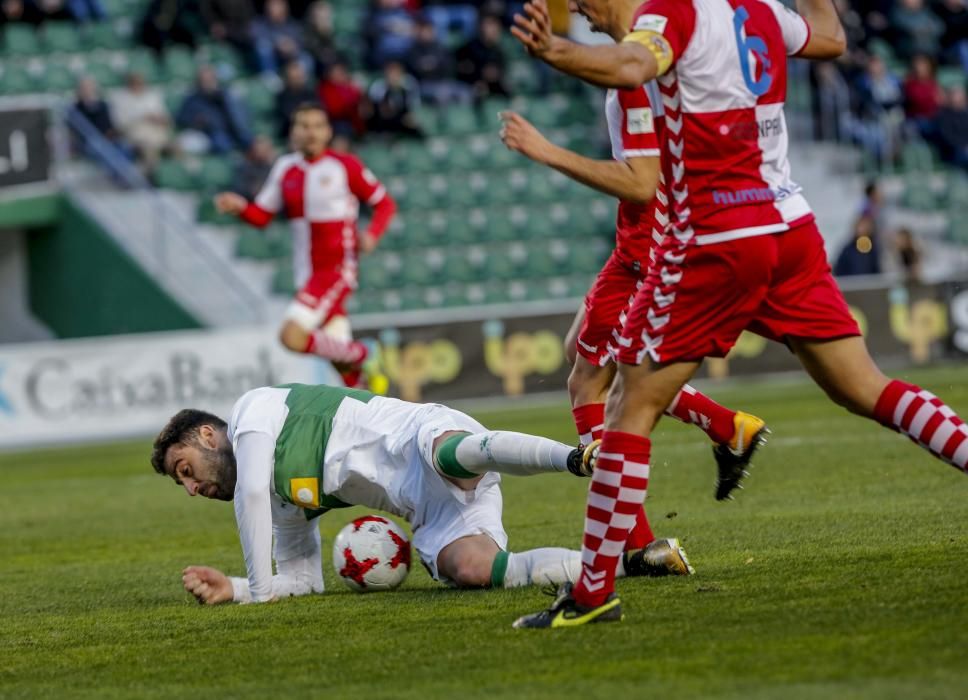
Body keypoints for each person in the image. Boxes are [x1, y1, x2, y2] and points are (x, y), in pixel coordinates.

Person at [509, 0, 968, 628]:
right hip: (789, 226)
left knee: (627, 404)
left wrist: (553, 52)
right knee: (865, 387)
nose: (578, 8)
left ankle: (593, 594)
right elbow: (831, 37)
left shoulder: (672, 14)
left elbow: (632, 64)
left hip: (716, 237)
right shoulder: (758, 12)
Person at [150, 383, 693, 604]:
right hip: (422, 506)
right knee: (473, 569)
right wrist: (241, 588)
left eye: (185, 470)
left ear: (207, 435)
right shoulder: (278, 497)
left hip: (417, 435)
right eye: (184, 485)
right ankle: (636, 564)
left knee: (452, 454)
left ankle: (578, 457)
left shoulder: (253, 411)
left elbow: (248, 502)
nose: (194, 488)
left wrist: (262, 592)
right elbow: (303, 579)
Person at [498, 92, 767, 504]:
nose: (585, 21)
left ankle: (634, 541)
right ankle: (728, 428)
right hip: (633, 243)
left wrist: (548, 151)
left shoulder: (637, 74)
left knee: (588, 385)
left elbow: (641, 185)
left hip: (649, 246)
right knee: (580, 352)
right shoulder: (638, 67)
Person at [213, 104, 396, 389]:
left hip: (336, 270)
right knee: (342, 363)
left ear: (328, 132)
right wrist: (241, 207)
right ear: (293, 132)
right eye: (303, 126)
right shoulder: (286, 168)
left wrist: (371, 234)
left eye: (317, 126)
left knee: (292, 336)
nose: (310, 132)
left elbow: (384, 203)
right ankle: (366, 394)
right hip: (306, 274)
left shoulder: (345, 165)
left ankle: (365, 352)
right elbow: (262, 216)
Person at [176, 65, 253, 154]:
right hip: (212, 133)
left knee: (250, 140)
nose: (209, 84)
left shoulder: (227, 95)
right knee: (221, 143)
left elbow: (243, 114)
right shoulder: (192, 99)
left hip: (234, 130)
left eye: (211, 80)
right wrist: (195, 122)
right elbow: (181, 118)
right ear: (198, 83)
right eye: (205, 81)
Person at [110, 71, 174, 170]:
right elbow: (119, 124)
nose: (138, 85)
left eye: (141, 83)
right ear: (129, 83)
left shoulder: (152, 96)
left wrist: (158, 119)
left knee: (176, 146)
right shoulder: (120, 98)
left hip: (157, 131)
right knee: (149, 150)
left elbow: (166, 119)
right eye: (135, 83)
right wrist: (143, 117)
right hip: (135, 134)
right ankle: (154, 176)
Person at [367, 61, 424, 138]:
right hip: (383, 122)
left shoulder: (409, 86)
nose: (393, 77)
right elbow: (375, 111)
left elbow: (413, 107)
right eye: (391, 74)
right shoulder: (378, 87)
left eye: (396, 74)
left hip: (402, 120)